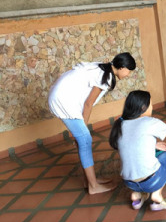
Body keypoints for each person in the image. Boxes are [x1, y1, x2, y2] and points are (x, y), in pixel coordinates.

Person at [48, 52, 136, 194]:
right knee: (85, 140)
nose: (128, 74)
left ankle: (88, 180)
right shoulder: (105, 76)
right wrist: (84, 128)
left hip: (63, 97)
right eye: (129, 71)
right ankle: (93, 186)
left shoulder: (105, 68)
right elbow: (88, 104)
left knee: (83, 140)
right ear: (122, 67)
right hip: (62, 100)